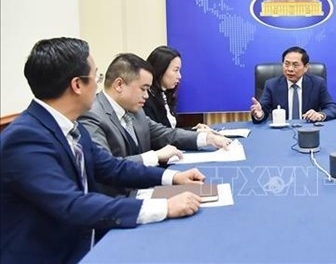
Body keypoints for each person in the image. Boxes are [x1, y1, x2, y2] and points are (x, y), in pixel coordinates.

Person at [0, 37, 206, 264]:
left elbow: (111, 167)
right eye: (96, 77)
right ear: (77, 85)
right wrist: (164, 207)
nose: (99, 85)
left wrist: (173, 177)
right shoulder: (25, 139)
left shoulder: (71, 126)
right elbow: (72, 204)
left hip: (86, 242)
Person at [79, 53, 231, 194]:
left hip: (146, 188)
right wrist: (155, 156)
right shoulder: (91, 116)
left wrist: (206, 139)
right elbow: (107, 167)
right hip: (118, 200)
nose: (146, 96)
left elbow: (165, 134)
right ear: (119, 85)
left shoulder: (135, 110)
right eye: (143, 89)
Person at [250, 46, 336, 123]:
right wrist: (260, 115)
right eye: (286, 64)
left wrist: (320, 115)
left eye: (295, 65)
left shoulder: (318, 83)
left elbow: (332, 108)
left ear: (306, 67)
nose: (290, 69)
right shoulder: (272, 85)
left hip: (308, 130)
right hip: (281, 132)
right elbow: (262, 110)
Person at [143, 45, 210, 131]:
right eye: (175, 70)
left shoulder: (165, 95)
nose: (179, 76)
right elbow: (160, 136)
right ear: (160, 69)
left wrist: (195, 130)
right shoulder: (146, 100)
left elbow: (172, 131)